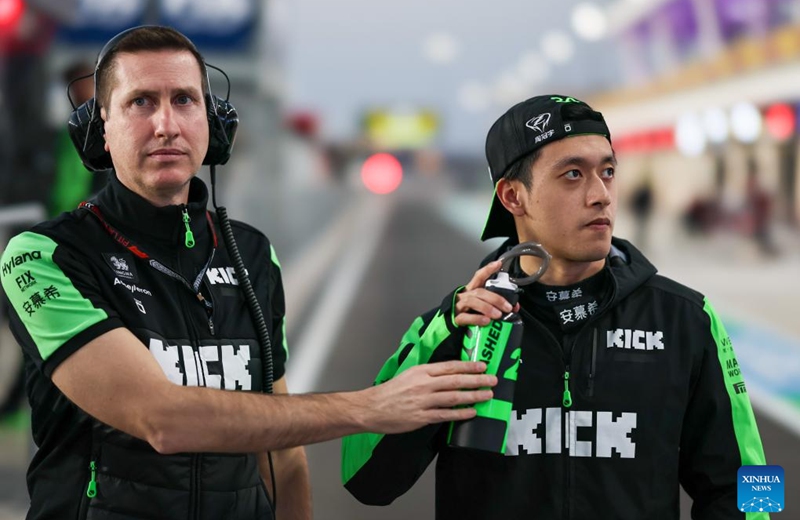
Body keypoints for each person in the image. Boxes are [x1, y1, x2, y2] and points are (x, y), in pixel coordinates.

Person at [0, 26, 496, 520]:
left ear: (213, 124)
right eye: (141, 103)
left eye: (185, 100)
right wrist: (369, 407)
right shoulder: (45, 255)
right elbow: (161, 419)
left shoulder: (252, 252)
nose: (166, 124)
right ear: (100, 128)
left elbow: (280, 454)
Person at [342, 95, 768, 519]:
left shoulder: (685, 318)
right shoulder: (463, 328)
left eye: (608, 171)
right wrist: (445, 335)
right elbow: (365, 479)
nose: (600, 195)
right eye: (572, 175)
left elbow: (751, 485)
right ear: (513, 197)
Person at [49, 60, 108, 216]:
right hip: (59, 210)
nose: (77, 90)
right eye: (73, 85)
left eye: (83, 84)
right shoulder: (67, 129)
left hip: (90, 210)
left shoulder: (108, 126)